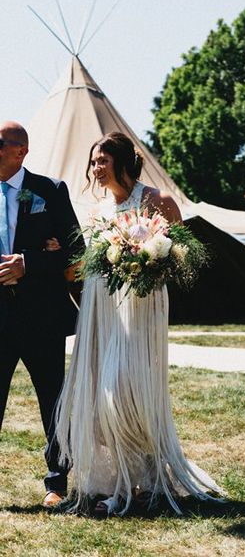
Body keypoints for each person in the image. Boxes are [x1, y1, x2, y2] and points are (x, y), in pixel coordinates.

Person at [55, 131, 222, 515]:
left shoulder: (156, 200)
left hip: (142, 307)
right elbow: (87, 264)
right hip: (102, 309)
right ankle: (126, 483)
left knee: (129, 394)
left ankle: (146, 484)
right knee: (100, 397)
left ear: (123, 162)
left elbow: (183, 254)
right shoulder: (97, 212)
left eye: (103, 161)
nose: (96, 169)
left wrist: (149, 259)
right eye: (93, 161)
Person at [0, 121, 83, 508]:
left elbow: (77, 252)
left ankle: (57, 482)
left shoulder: (49, 191)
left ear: (20, 151)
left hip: (41, 316)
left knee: (53, 402)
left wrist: (28, 263)